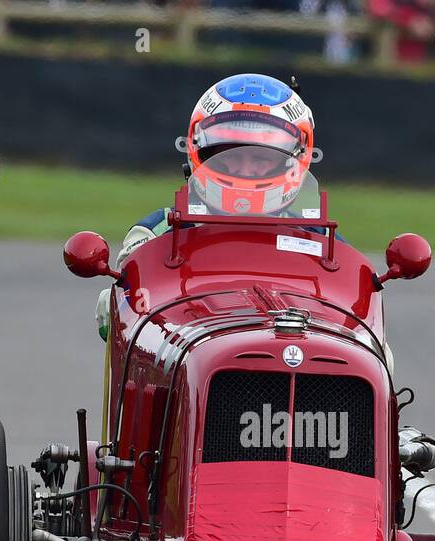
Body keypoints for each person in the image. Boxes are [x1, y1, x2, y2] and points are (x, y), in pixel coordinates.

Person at [94, 73, 317, 342]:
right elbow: (126, 319)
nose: (244, 169)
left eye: (261, 158)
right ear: (199, 149)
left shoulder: (317, 239)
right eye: (228, 153)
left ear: (295, 158)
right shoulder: (157, 232)